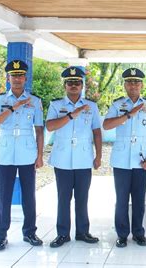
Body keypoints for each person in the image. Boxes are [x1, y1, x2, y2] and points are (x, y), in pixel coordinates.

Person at [0, 59, 44, 251]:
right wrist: (13, 107)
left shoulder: (35, 101)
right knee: (3, 195)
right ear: (8, 78)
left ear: (25, 78)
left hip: (27, 152)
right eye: (14, 76)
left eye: (20, 76)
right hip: (5, 151)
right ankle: (0, 236)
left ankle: (29, 232)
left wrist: (40, 155)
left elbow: (39, 130)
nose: (17, 79)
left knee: (29, 195)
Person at [102, 68, 146, 248]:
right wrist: (128, 114)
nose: (133, 85)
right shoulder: (117, 104)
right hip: (121, 159)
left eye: (137, 82)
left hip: (140, 159)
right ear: (125, 85)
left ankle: (138, 233)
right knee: (121, 200)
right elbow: (107, 125)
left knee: (138, 200)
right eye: (130, 82)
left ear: (142, 85)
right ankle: (122, 234)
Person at [45, 67, 102, 248]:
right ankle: (62, 234)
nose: (73, 85)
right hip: (62, 159)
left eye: (77, 82)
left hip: (84, 158)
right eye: (70, 82)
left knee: (82, 197)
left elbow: (97, 132)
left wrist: (99, 155)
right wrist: (71, 115)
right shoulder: (56, 105)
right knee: (63, 198)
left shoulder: (91, 106)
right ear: (65, 86)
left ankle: (82, 232)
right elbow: (50, 126)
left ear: (82, 85)